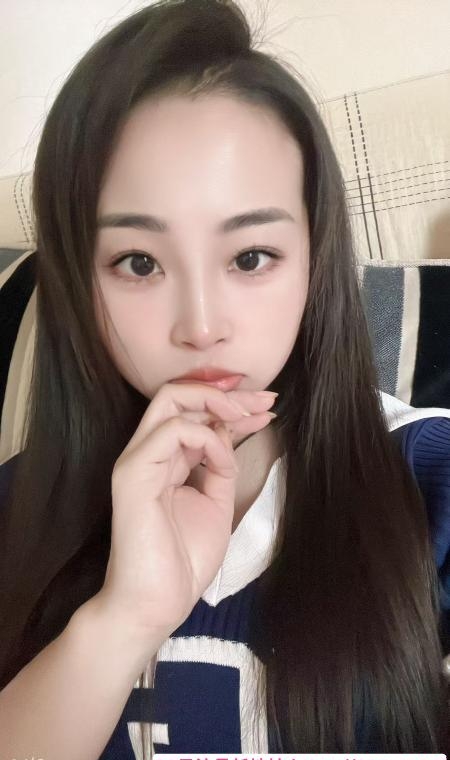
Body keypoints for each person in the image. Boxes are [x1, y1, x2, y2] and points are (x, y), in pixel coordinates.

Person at [0, 0, 448, 756]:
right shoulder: (17, 508)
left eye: (249, 257)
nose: (201, 326)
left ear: (314, 259)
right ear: (79, 281)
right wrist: (122, 620)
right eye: (139, 262)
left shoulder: (432, 479)